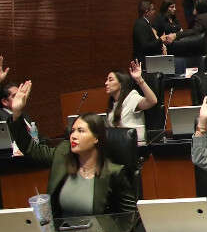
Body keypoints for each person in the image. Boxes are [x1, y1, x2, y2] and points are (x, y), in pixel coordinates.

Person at [5, 81, 136, 216]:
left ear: (96, 138)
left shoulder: (114, 173)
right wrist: (16, 113)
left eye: (81, 131)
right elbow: (31, 149)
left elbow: (129, 218)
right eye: (72, 131)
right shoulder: (62, 154)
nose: (73, 136)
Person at [104, 60, 158, 144]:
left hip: (134, 147)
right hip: (118, 145)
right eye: (106, 80)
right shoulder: (113, 104)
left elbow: (152, 101)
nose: (106, 83)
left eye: (110, 80)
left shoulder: (132, 98)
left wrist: (140, 80)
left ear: (121, 83)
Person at [178, 0, 207, 71]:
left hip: (204, 57)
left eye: (195, 7)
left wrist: (177, 35)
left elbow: (194, 32)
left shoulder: (200, 18)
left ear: (198, 9)